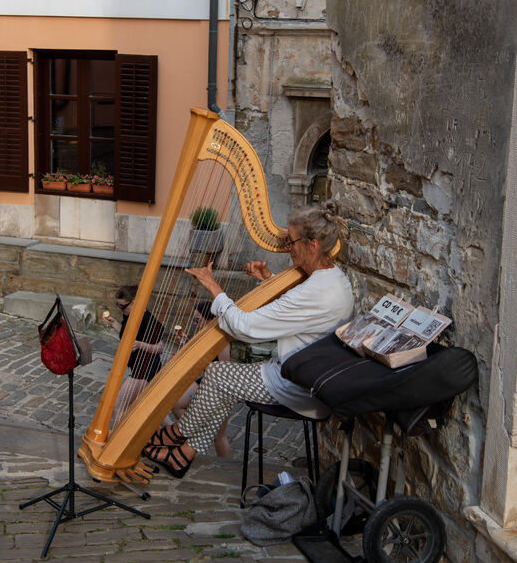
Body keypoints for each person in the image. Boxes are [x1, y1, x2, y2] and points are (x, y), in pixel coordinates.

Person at [142, 201, 354, 478]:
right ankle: (182, 455)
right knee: (222, 383)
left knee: (218, 376)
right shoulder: (333, 279)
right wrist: (268, 281)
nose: (288, 249)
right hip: (302, 371)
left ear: (313, 245)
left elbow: (245, 328)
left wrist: (213, 287)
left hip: (299, 385)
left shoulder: (316, 291)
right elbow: (295, 310)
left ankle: (172, 436)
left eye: (291, 243)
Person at [171, 300, 231, 458]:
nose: (194, 324)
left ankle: (224, 466)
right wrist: (187, 343)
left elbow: (224, 371)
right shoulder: (203, 335)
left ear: (210, 320)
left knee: (219, 436)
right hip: (206, 383)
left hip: (219, 390)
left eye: (198, 320)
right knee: (177, 403)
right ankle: (194, 432)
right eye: (194, 320)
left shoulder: (221, 341)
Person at [103, 285, 164, 422]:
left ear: (134, 302)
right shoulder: (130, 315)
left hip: (144, 369)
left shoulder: (147, 319)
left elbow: (160, 348)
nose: (120, 309)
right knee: (149, 411)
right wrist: (114, 324)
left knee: (118, 407)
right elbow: (128, 337)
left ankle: (119, 442)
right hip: (139, 367)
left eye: (122, 306)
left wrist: (140, 345)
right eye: (117, 305)